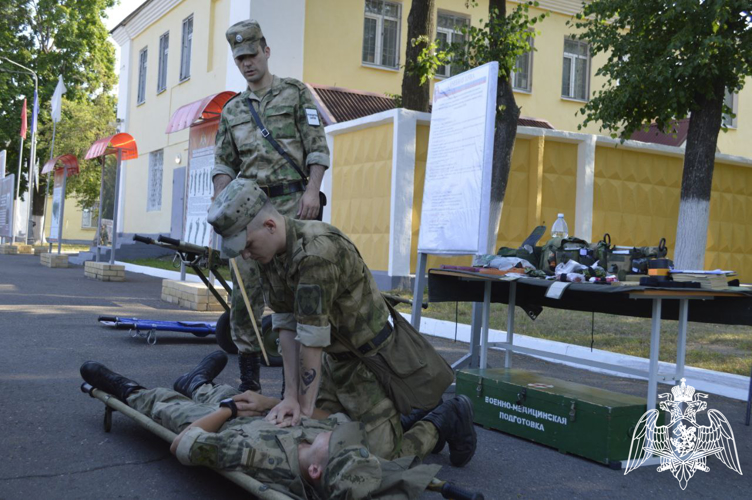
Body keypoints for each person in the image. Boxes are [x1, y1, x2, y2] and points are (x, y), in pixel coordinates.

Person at [207, 178, 477, 467]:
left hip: (372, 363)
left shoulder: (316, 253)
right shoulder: (269, 255)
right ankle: (395, 419)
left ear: (270, 226)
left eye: (247, 245)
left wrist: (304, 406)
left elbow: (311, 337)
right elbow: (285, 324)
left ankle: (444, 418)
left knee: (381, 462)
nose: (245, 254)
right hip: (333, 361)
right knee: (318, 437)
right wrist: (290, 397)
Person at [79, 352, 440, 500]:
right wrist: (272, 403)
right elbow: (332, 418)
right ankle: (197, 381)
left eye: (340, 446)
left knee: (169, 408)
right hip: (260, 417)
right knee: (232, 392)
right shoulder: (323, 446)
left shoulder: (261, 458)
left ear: (315, 470)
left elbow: (185, 444)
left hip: (221, 427)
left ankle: (126, 387)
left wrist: (228, 412)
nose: (340, 437)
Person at [212, 19, 330, 393]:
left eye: (251, 55)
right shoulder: (232, 110)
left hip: (295, 207)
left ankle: (295, 387)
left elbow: (317, 146)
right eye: (240, 58)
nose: (247, 63)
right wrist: (222, 200)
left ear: (265, 51)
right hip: (249, 211)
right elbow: (223, 163)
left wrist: (313, 191)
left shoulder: (294, 94)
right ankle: (250, 383)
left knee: (297, 293)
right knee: (244, 296)